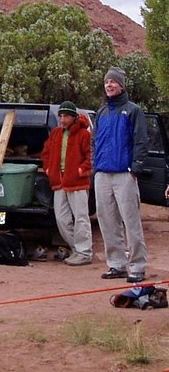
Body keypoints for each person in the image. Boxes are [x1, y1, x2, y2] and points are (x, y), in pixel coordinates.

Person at [92, 66, 149, 284]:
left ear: (122, 85)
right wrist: (95, 167)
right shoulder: (102, 112)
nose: (109, 85)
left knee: (130, 221)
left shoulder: (133, 110)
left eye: (113, 82)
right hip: (103, 174)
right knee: (107, 221)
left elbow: (141, 141)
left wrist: (135, 168)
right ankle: (116, 264)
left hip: (124, 174)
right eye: (106, 82)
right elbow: (94, 142)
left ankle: (137, 266)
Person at [41, 101, 93, 266]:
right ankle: (77, 249)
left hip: (77, 183)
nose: (62, 119)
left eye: (66, 116)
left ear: (73, 117)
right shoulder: (56, 133)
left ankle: (84, 252)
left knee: (81, 218)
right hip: (59, 182)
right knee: (62, 219)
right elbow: (46, 153)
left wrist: (80, 171)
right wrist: (49, 169)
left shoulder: (84, 134)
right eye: (61, 116)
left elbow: (90, 157)